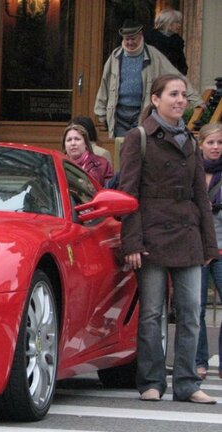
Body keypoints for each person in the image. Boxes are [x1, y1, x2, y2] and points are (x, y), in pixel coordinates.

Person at [118, 74, 216, 404]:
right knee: (151, 314)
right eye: (173, 94)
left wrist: (208, 244)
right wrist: (131, 242)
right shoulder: (139, 137)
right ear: (156, 99)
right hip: (151, 237)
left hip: (187, 236)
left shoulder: (189, 141)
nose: (180, 100)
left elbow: (201, 197)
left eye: (184, 96)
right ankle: (151, 381)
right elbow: (128, 194)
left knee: (190, 312)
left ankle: (187, 383)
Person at [94, 19, 204, 138]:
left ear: (141, 36)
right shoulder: (115, 57)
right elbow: (104, 84)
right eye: (127, 39)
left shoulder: (154, 55)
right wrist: (101, 112)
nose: (130, 42)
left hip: (143, 115)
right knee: (123, 150)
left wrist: (196, 99)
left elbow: (176, 78)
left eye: (133, 38)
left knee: (141, 148)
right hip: (119, 117)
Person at [195, 122, 222, 380]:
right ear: (201, 144)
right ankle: (199, 361)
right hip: (198, 247)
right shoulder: (191, 171)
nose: (216, 148)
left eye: (220, 143)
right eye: (211, 142)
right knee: (197, 307)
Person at [144, 9, 188, 75]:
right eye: (176, 22)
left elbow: (181, 63)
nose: (179, 25)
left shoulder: (177, 41)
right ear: (167, 22)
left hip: (170, 77)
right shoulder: (150, 37)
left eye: (180, 22)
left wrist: (180, 75)